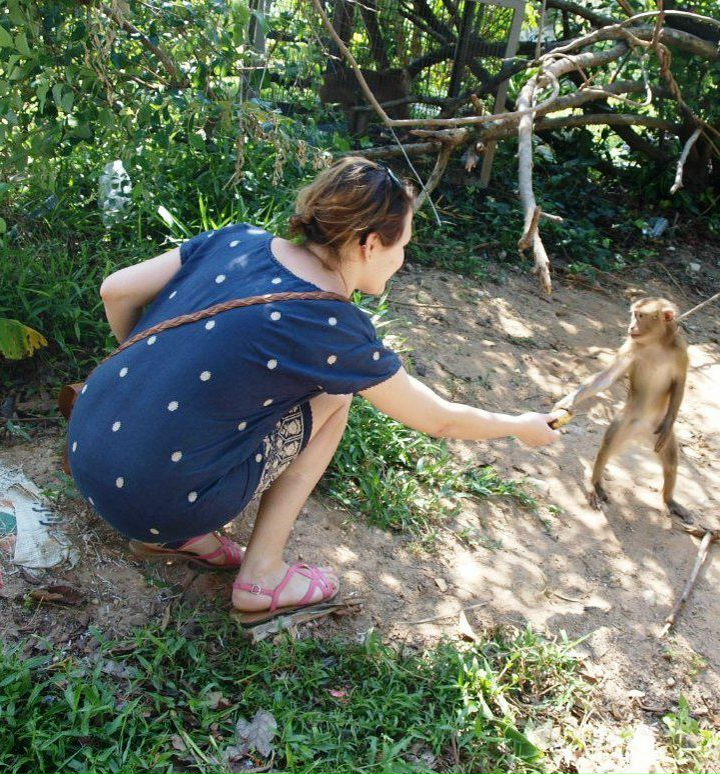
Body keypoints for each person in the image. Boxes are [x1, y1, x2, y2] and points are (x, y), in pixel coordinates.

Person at [67, 157, 560, 623]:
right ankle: (260, 576)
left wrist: (151, 372)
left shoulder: (237, 240)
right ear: (369, 243)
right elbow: (437, 419)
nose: (402, 259)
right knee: (334, 398)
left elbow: (116, 288)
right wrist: (518, 426)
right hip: (155, 500)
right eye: (402, 245)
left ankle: (177, 538)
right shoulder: (328, 321)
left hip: (86, 446)